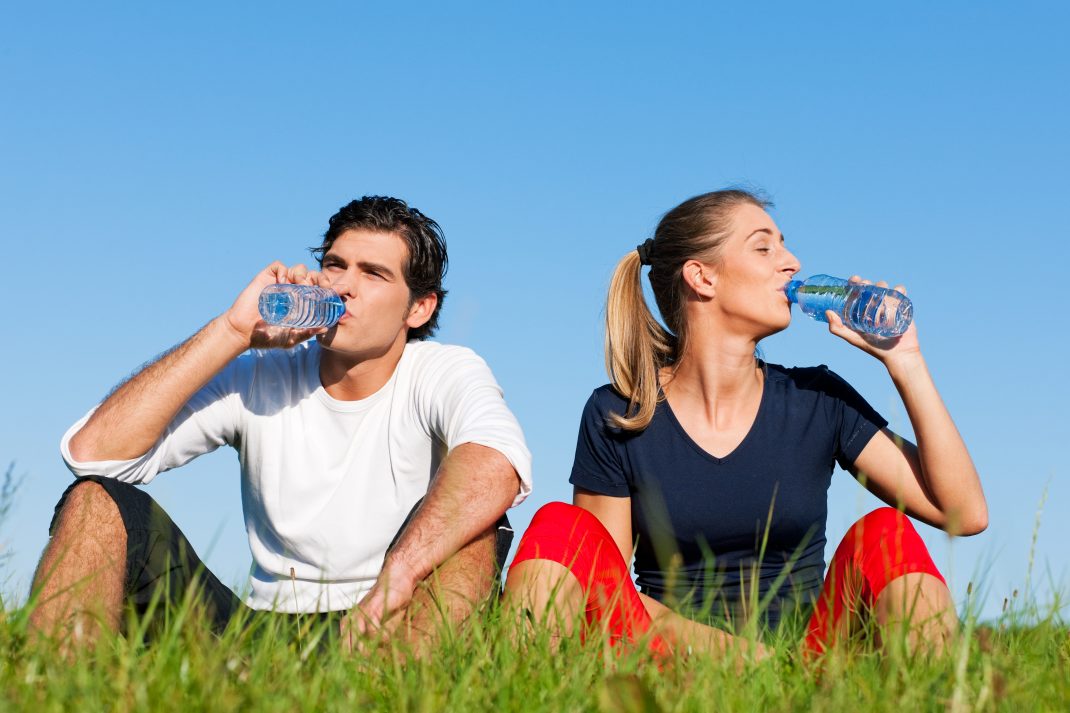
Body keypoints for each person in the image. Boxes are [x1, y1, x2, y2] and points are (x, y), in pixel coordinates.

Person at [30, 196, 532, 654]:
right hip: (257, 635)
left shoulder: (442, 370)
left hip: (383, 624)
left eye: (374, 274)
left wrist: (400, 572)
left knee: (476, 525)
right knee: (95, 501)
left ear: (419, 308)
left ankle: (396, 695)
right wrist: (232, 331)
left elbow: (495, 465)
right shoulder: (261, 373)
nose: (344, 286)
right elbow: (92, 455)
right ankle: (49, 688)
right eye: (335, 265)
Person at [504, 189, 986, 660]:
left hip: (808, 663)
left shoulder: (818, 399)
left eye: (784, 246)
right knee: (560, 527)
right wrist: (740, 658)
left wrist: (906, 361)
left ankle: (939, 694)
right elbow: (602, 589)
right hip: (674, 660)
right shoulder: (620, 413)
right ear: (702, 277)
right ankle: (522, 688)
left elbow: (965, 515)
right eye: (764, 247)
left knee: (886, 531)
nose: (792, 262)